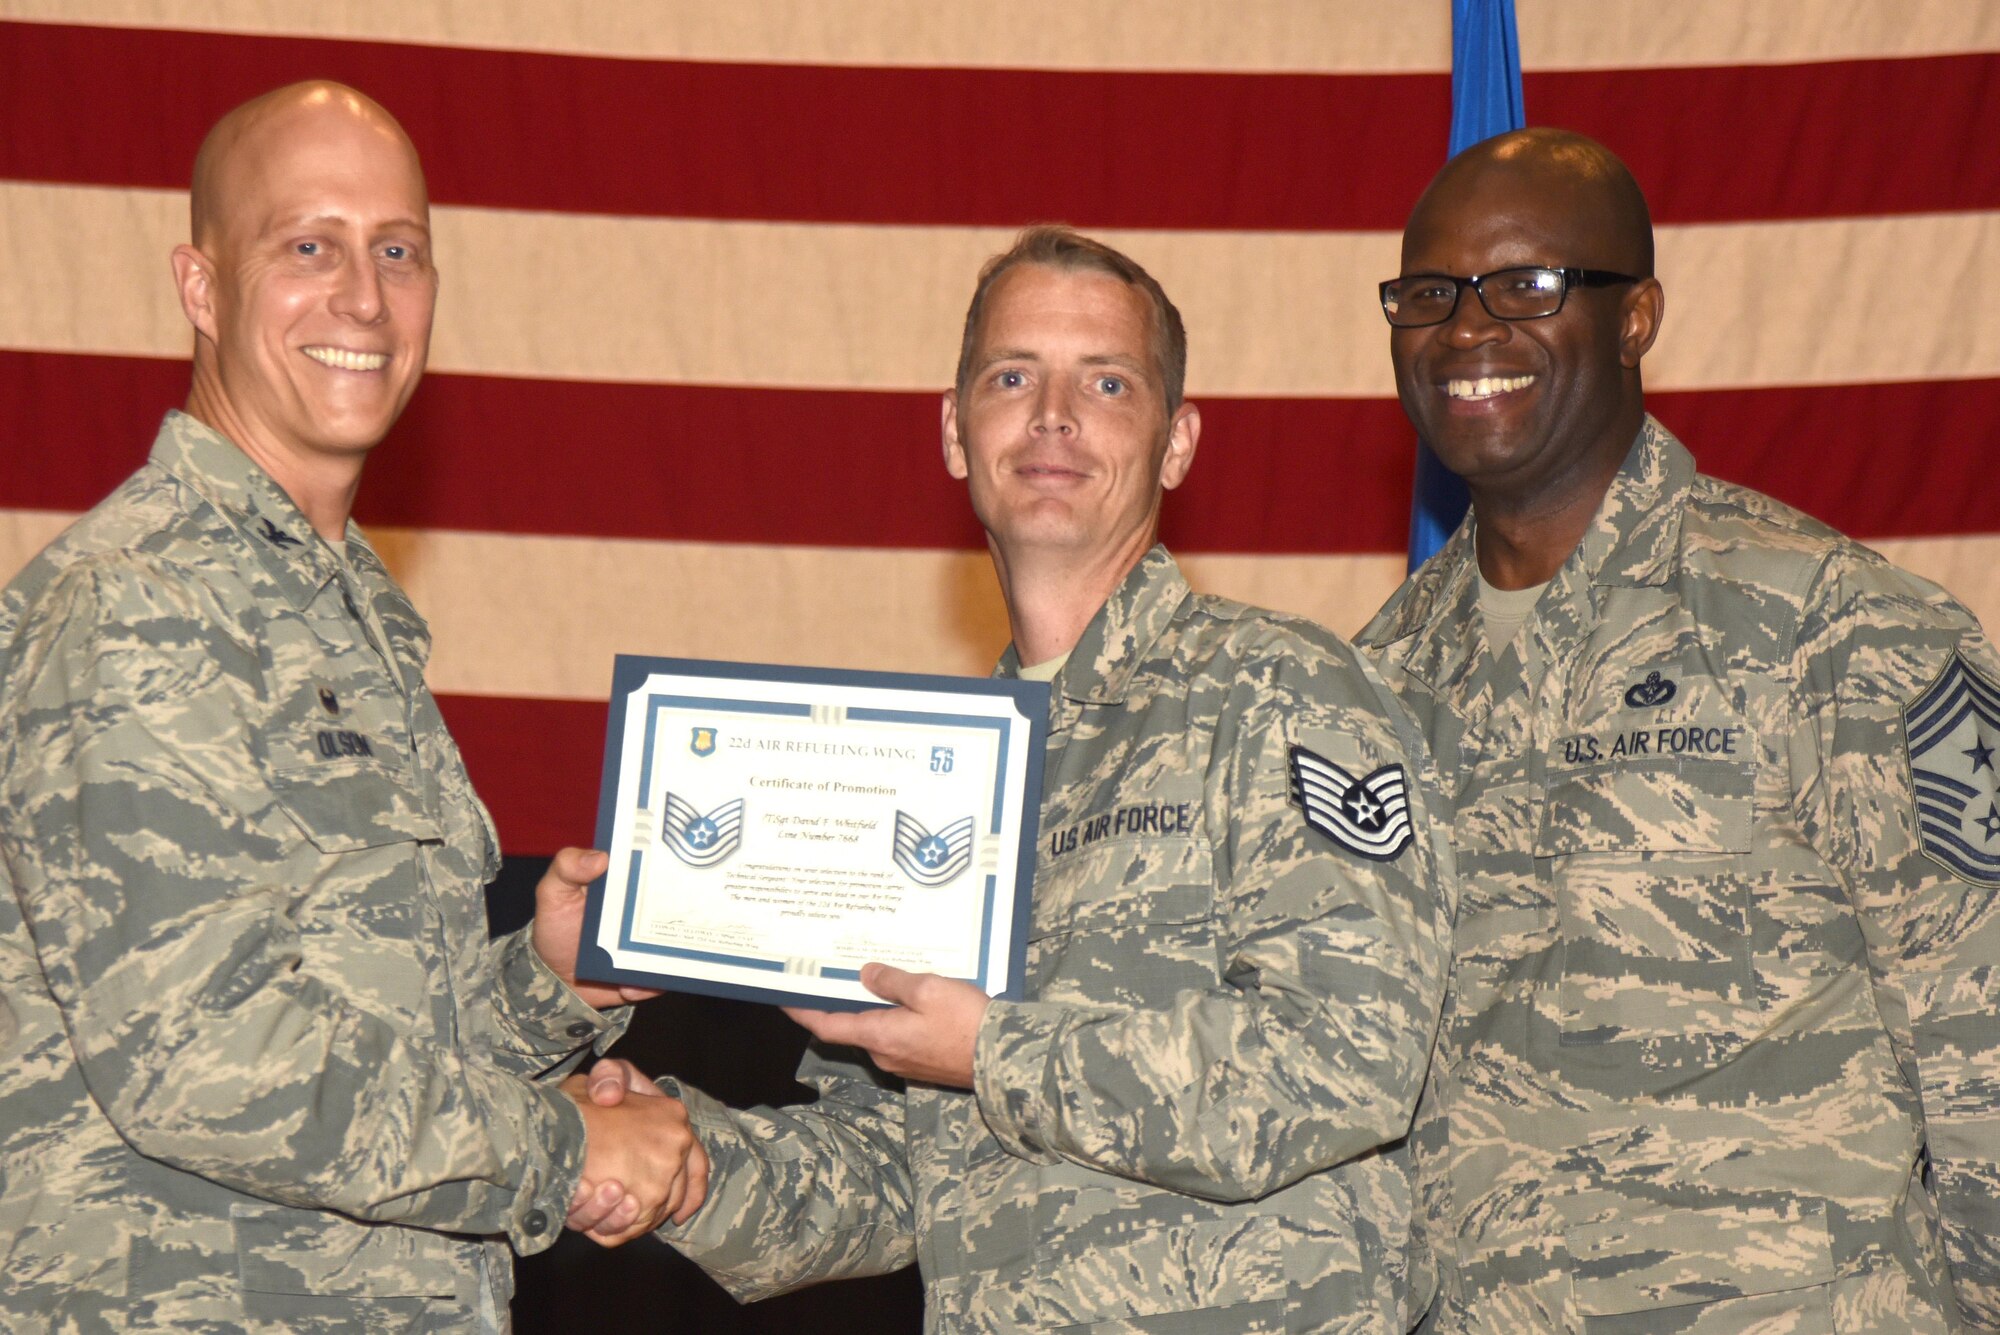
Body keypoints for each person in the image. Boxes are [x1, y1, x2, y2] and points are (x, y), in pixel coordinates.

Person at [576, 226, 1457, 1331]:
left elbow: (1344, 1066)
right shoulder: (931, 777)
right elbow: (889, 1168)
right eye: (1010, 376)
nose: (1052, 415)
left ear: (1176, 443)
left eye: (1104, 380)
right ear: (955, 433)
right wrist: (677, 1161)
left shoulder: (1281, 694)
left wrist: (993, 1049)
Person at [0, 82, 704, 1332]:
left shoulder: (333, 609)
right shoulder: (141, 604)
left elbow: (363, 1025)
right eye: (308, 246)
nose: (365, 300)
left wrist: (547, 986)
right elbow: (198, 1058)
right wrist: (566, 1149)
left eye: (398, 251)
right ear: (202, 288)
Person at [1356, 127, 2000, 1331]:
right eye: (1428, 294)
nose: (1465, 329)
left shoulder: (1832, 627)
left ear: (1636, 315)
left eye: (1527, 285)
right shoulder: (1378, 680)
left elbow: (1984, 1035)